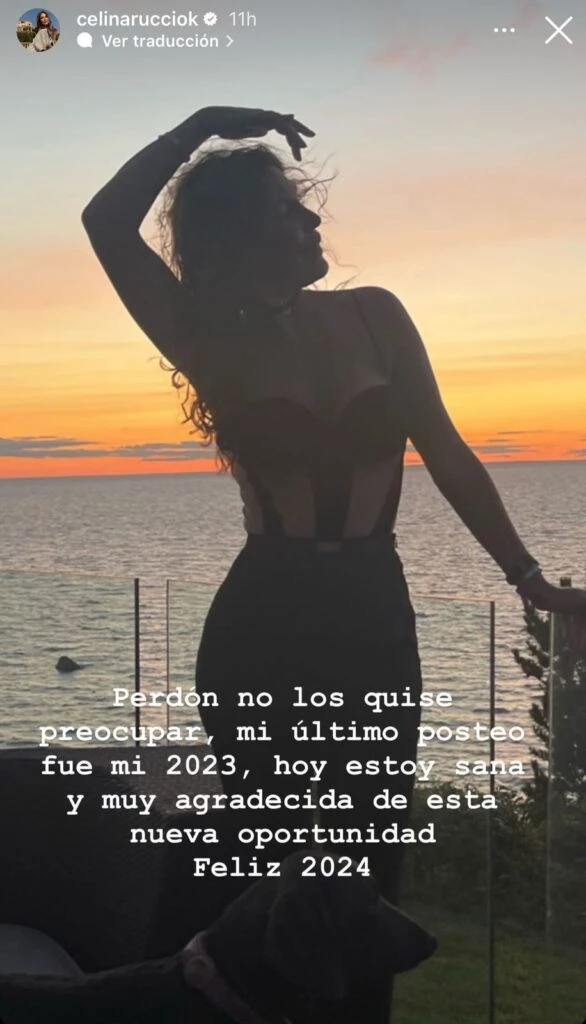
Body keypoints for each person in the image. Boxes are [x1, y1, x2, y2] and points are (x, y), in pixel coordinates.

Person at [82, 106, 586, 1023]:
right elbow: (105, 223)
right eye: (288, 207)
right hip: (263, 622)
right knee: (266, 847)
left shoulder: (374, 315)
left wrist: (528, 578)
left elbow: (447, 451)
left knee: (367, 850)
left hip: (370, 615)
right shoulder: (207, 336)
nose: (313, 219)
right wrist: (201, 126)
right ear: (239, 234)